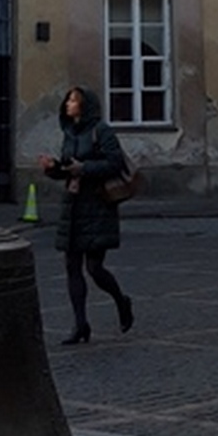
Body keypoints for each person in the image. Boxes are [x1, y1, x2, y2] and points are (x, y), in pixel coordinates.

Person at [41, 85, 134, 345]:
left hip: (97, 205)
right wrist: (53, 168)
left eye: (73, 100)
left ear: (85, 105)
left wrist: (84, 168)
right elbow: (68, 167)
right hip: (73, 204)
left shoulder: (101, 130)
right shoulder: (69, 132)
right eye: (68, 100)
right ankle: (80, 324)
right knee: (72, 266)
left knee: (94, 268)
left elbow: (114, 163)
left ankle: (121, 301)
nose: (68, 104)